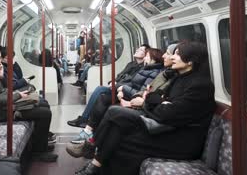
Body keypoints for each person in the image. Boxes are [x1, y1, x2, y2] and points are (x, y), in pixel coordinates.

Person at [70, 42, 215, 175]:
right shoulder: (178, 78)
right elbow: (154, 97)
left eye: (177, 54)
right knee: (117, 128)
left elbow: (166, 114)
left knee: (118, 128)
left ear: (190, 61)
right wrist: (161, 102)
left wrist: (158, 103)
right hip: (167, 129)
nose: (172, 57)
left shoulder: (200, 86)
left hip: (182, 141)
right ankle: (93, 167)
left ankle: (92, 156)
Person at [0, 43, 58, 162]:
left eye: (1, 58)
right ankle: (39, 152)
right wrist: (17, 96)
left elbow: (2, 90)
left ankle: (40, 143)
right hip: (0, 113)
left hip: (6, 107)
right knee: (44, 113)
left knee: (42, 104)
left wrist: (0, 78)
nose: (0, 61)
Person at [69, 48, 164, 144]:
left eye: (147, 56)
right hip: (126, 92)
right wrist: (121, 88)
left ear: (153, 59)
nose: (145, 58)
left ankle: (90, 132)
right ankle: (90, 132)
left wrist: (122, 88)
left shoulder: (153, 72)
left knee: (103, 97)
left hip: (133, 97)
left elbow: (141, 91)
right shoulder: (143, 68)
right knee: (103, 97)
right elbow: (130, 81)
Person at [67, 44, 149, 128]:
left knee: (100, 90)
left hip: (125, 91)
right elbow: (120, 75)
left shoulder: (143, 68)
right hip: (118, 87)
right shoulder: (131, 64)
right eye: (138, 48)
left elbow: (132, 83)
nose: (137, 50)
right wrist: (112, 81)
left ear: (146, 55)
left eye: (141, 50)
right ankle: (85, 119)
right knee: (100, 91)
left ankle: (84, 119)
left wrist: (117, 86)